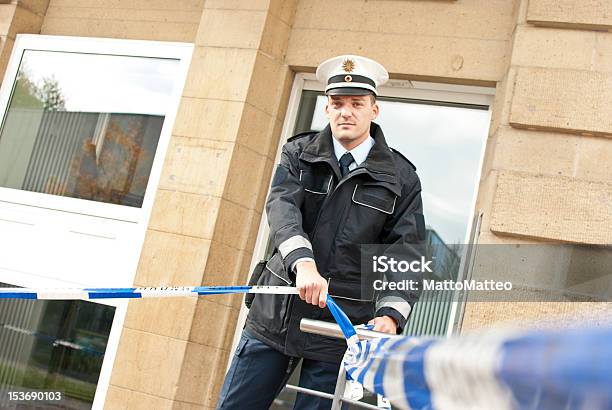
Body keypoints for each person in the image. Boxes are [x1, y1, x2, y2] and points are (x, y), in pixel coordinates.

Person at [216, 55, 425, 410]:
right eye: (338, 103)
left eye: (357, 104)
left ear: (374, 111)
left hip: (339, 333)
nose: (347, 112)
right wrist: (304, 265)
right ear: (327, 108)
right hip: (275, 317)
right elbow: (283, 211)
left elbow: (407, 255)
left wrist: (391, 316)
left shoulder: (401, 179)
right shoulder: (298, 153)